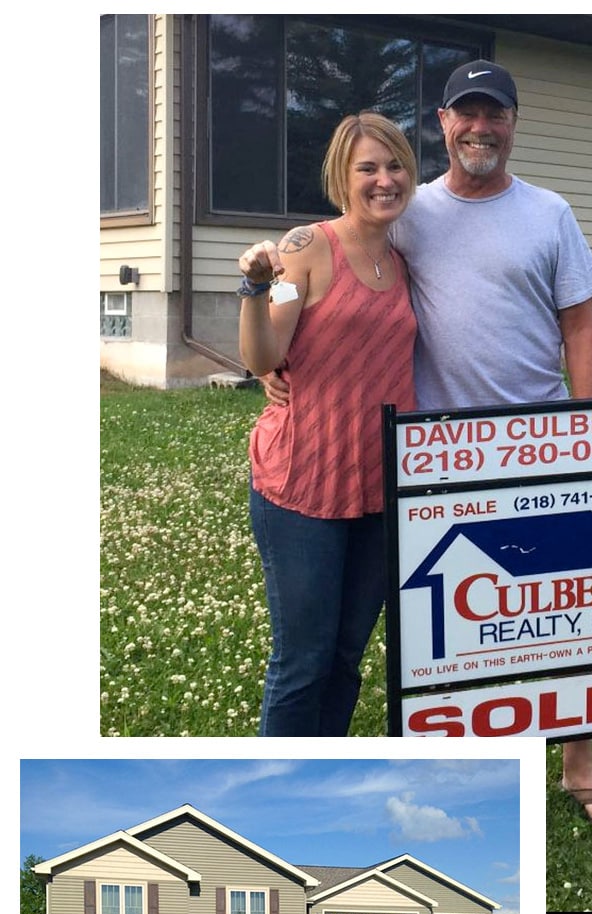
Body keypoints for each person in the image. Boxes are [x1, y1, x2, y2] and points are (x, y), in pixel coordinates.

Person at [389, 61, 592, 831]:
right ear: (442, 122)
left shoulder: (549, 213)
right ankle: (458, 768)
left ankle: (577, 765)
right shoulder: (409, 212)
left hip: (541, 444)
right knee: (450, 621)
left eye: (494, 114)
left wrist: (587, 437)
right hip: (440, 456)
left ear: (514, 123)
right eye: (467, 114)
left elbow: (581, 327)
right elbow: (340, 266)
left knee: (565, 615)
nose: (480, 128)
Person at [237, 112, 417, 736]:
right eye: (368, 167)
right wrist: (254, 291)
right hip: (303, 484)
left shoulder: (405, 260)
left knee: (345, 660)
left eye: (395, 165)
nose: (384, 179)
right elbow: (263, 357)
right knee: (302, 663)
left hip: (376, 490)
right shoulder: (306, 248)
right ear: (343, 176)